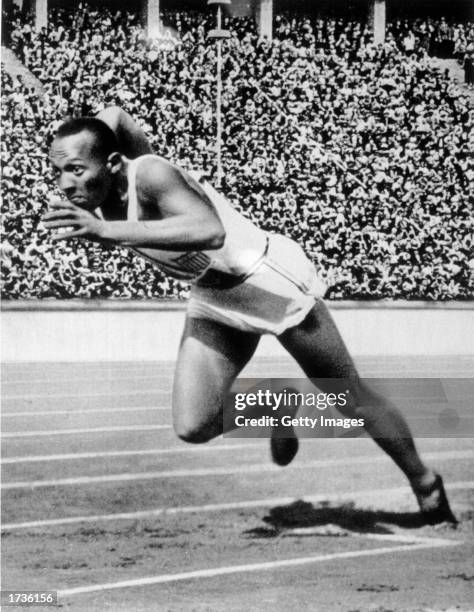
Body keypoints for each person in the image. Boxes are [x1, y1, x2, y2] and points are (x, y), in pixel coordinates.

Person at [43, 106, 457, 525]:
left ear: (112, 163)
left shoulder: (150, 174)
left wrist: (106, 229)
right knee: (193, 424)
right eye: (59, 172)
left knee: (348, 397)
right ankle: (277, 405)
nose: (66, 184)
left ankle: (424, 482)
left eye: (76, 169)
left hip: (265, 281)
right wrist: (92, 138)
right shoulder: (100, 189)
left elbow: (210, 230)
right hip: (213, 297)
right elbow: (113, 115)